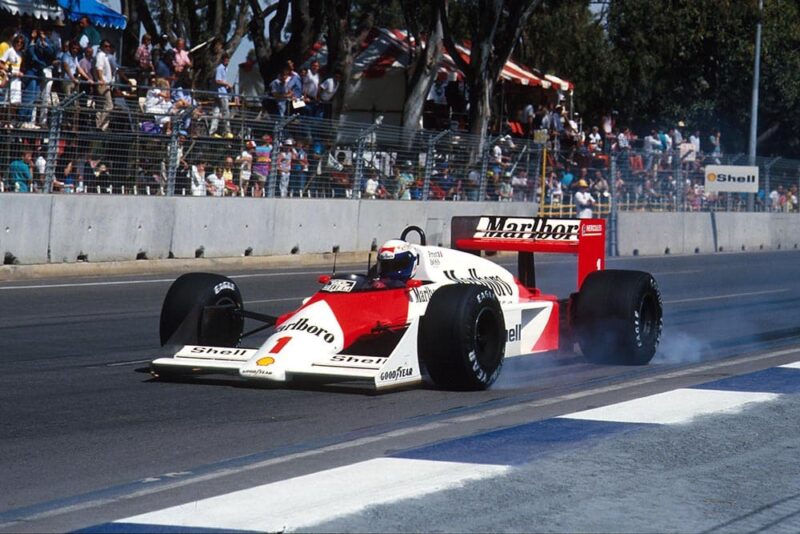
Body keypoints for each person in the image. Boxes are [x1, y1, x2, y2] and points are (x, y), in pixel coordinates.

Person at [209, 53, 233, 138]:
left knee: (216, 112)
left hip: (221, 92)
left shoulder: (225, 68)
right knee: (226, 111)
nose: (227, 61)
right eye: (226, 60)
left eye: (228, 60)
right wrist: (227, 84)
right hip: (221, 93)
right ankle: (227, 131)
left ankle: (212, 131)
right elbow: (218, 80)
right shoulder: (220, 68)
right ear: (223, 60)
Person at [93, 40, 114, 131]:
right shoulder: (101, 55)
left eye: (109, 46)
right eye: (106, 46)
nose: (108, 48)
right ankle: (102, 127)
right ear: (101, 46)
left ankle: (98, 126)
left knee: (100, 106)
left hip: (105, 83)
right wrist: (101, 80)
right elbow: (99, 68)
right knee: (109, 106)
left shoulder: (105, 56)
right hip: (103, 84)